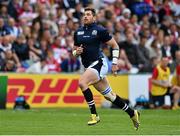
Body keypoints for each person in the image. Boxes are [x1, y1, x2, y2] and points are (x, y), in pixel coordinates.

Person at [73, 7, 140, 130]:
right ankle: (132, 113)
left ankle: (94, 115)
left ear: (94, 17)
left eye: (88, 14)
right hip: (89, 66)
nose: (85, 16)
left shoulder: (100, 30)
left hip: (100, 63)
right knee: (109, 96)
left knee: (82, 82)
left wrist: (114, 63)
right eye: (84, 14)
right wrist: (76, 52)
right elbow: (74, 51)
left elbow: (115, 45)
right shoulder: (78, 32)